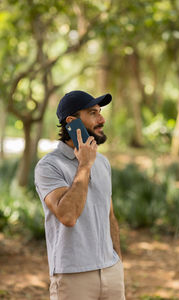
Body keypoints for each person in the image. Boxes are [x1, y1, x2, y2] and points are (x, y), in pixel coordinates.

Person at [34, 90, 126, 300]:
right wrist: (84, 165)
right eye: (93, 113)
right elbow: (67, 216)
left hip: (111, 271)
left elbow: (109, 216)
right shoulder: (48, 166)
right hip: (73, 276)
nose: (102, 119)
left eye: (100, 112)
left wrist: (117, 262)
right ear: (72, 122)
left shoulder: (102, 162)